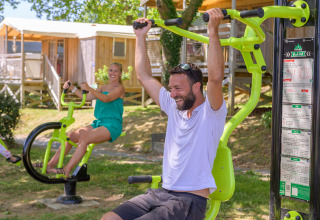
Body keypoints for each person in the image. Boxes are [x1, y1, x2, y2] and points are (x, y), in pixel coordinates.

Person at [101, 8, 227, 220]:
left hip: (189, 200)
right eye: (171, 88)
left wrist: (212, 30)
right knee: (109, 218)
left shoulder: (211, 112)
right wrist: (140, 36)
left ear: (196, 87)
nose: (172, 93)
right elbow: (143, 75)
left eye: (178, 88)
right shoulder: (173, 106)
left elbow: (215, 78)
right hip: (161, 193)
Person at [34, 62, 125, 178]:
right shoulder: (103, 87)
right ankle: (50, 165)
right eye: (110, 70)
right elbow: (85, 98)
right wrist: (72, 88)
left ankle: (66, 169)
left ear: (120, 74)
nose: (112, 73)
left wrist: (89, 88)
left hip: (112, 125)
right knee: (71, 136)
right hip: (100, 123)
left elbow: (106, 98)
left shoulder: (120, 88)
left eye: (116, 71)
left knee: (84, 138)